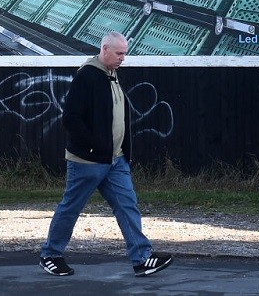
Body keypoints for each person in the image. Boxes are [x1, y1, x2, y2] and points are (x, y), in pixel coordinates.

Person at [40, 31, 173, 277]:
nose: (124, 58)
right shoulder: (88, 76)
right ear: (104, 49)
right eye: (119, 53)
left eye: (125, 53)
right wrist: (93, 146)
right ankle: (50, 254)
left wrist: (119, 151)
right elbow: (70, 118)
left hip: (115, 160)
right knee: (71, 207)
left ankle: (142, 259)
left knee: (127, 205)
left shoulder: (111, 75)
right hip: (87, 161)